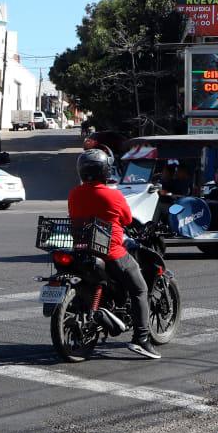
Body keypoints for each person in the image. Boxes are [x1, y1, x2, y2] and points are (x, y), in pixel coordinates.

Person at [68, 148, 158, 359]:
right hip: (111, 252)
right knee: (140, 289)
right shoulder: (113, 195)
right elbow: (127, 220)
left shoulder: (74, 193)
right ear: (105, 171)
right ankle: (141, 338)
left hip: (82, 249)